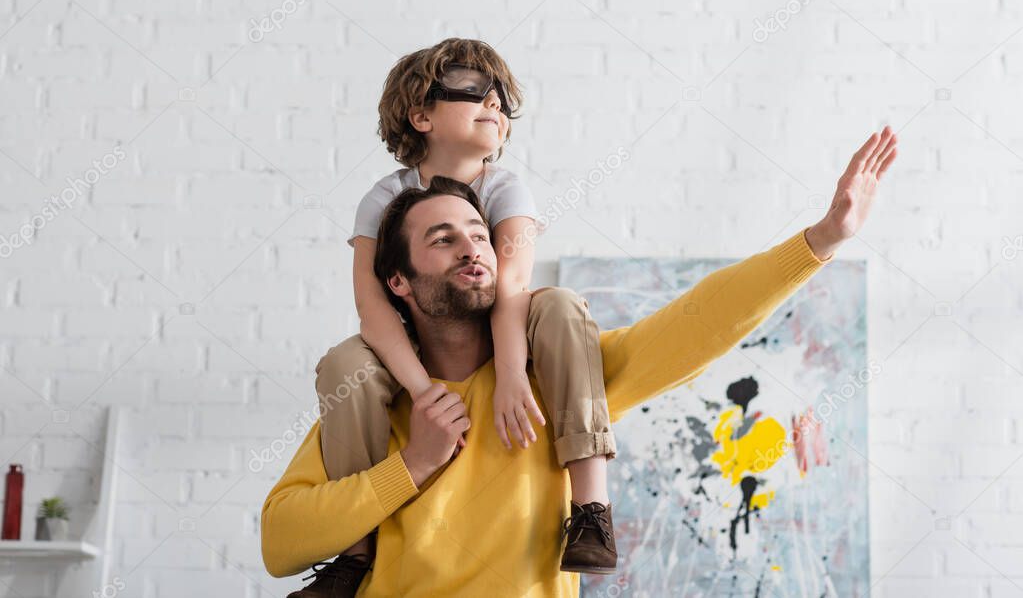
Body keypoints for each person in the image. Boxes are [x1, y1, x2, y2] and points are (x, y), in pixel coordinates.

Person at [261, 123, 899, 598]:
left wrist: (820, 242)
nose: (471, 247)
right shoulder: (370, 401)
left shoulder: (559, 384)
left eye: (479, 234)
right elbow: (281, 541)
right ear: (398, 281)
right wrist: (415, 462)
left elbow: (695, 324)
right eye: (442, 238)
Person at [316, 37, 619, 586]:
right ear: (420, 115)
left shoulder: (506, 189)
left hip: (498, 334)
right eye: (473, 91)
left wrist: (508, 372)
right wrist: (423, 391)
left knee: (559, 305)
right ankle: (353, 554)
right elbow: (373, 306)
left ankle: (591, 511)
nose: (495, 103)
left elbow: (513, 289)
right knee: (344, 363)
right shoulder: (382, 199)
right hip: (418, 345)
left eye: (501, 96)